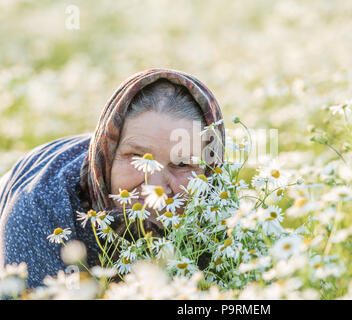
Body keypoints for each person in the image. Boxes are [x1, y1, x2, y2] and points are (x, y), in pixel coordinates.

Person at [0, 68, 225, 288]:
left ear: (210, 170)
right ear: (107, 155)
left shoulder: (223, 215)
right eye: (137, 156)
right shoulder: (40, 208)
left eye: (182, 164)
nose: (153, 187)